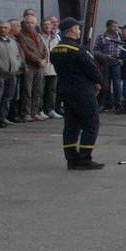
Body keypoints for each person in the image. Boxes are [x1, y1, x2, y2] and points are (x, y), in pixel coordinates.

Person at [51, 17, 105, 169]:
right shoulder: (77, 49)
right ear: (72, 30)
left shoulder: (55, 50)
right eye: (78, 28)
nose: (79, 31)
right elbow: (92, 69)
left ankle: (71, 159)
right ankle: (84, 159)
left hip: (65, 90)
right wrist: (100, 82)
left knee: (71, 125)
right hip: (83, 91)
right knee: (91, 123)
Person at [17, 13, 49, 120]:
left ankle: (34, 112)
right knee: (27, 89)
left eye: (32, 23)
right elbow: (25, 50)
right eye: (27, 22)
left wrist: (45, 59)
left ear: (36, 24)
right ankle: (26, 112)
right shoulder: (21, 35)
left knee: (38, 90)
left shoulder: (37, 35)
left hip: (40, 66)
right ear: (24, 23)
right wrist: (38, 60)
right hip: (29, 65)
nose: (30, 25)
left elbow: (44, 49)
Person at [0, 21, 24, 122]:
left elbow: (18, 55)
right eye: (0, 27)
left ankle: (3, 117)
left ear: (9, 29)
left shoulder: (13, 41)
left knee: (8, 97)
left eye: (5, 27)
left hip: (12, 73)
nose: (3, 29)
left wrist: (17, 65)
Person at [91, 19, 124, 111]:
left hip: (116, 63)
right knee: (106, 84)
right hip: (105, 63)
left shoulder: (120, 37)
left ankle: (118, 104)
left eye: (116, 27)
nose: (115, 29)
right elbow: (95, 51)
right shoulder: (101, 37)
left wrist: (121, 58)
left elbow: (125, 48)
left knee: (117, 83)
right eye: (113, 26)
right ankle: (107, 104)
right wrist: (106, 56)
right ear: (108, 27)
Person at [39, 15, 61, 119]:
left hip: (53, 67)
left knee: (52, 90)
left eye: (50, 25)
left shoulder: (56, 37)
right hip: (42, 67)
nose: (48, 27)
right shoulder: (38, 37)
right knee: (40, 90)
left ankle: (50, 109)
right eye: (45, 25)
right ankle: (40, 110)